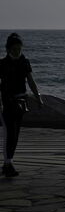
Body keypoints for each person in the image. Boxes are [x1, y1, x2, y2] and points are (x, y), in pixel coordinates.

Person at [0, 33, 43, 178]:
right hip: (6, 103)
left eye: (19, 48)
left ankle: (8, 163)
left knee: (16, 134)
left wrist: (38, 98)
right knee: (9, 133)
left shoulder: (25, 62)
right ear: (8, 49)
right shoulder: (2, 64)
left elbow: (31, 81)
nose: (17, 51)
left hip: (21, 102)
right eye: (14, 49)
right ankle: (7, 164)